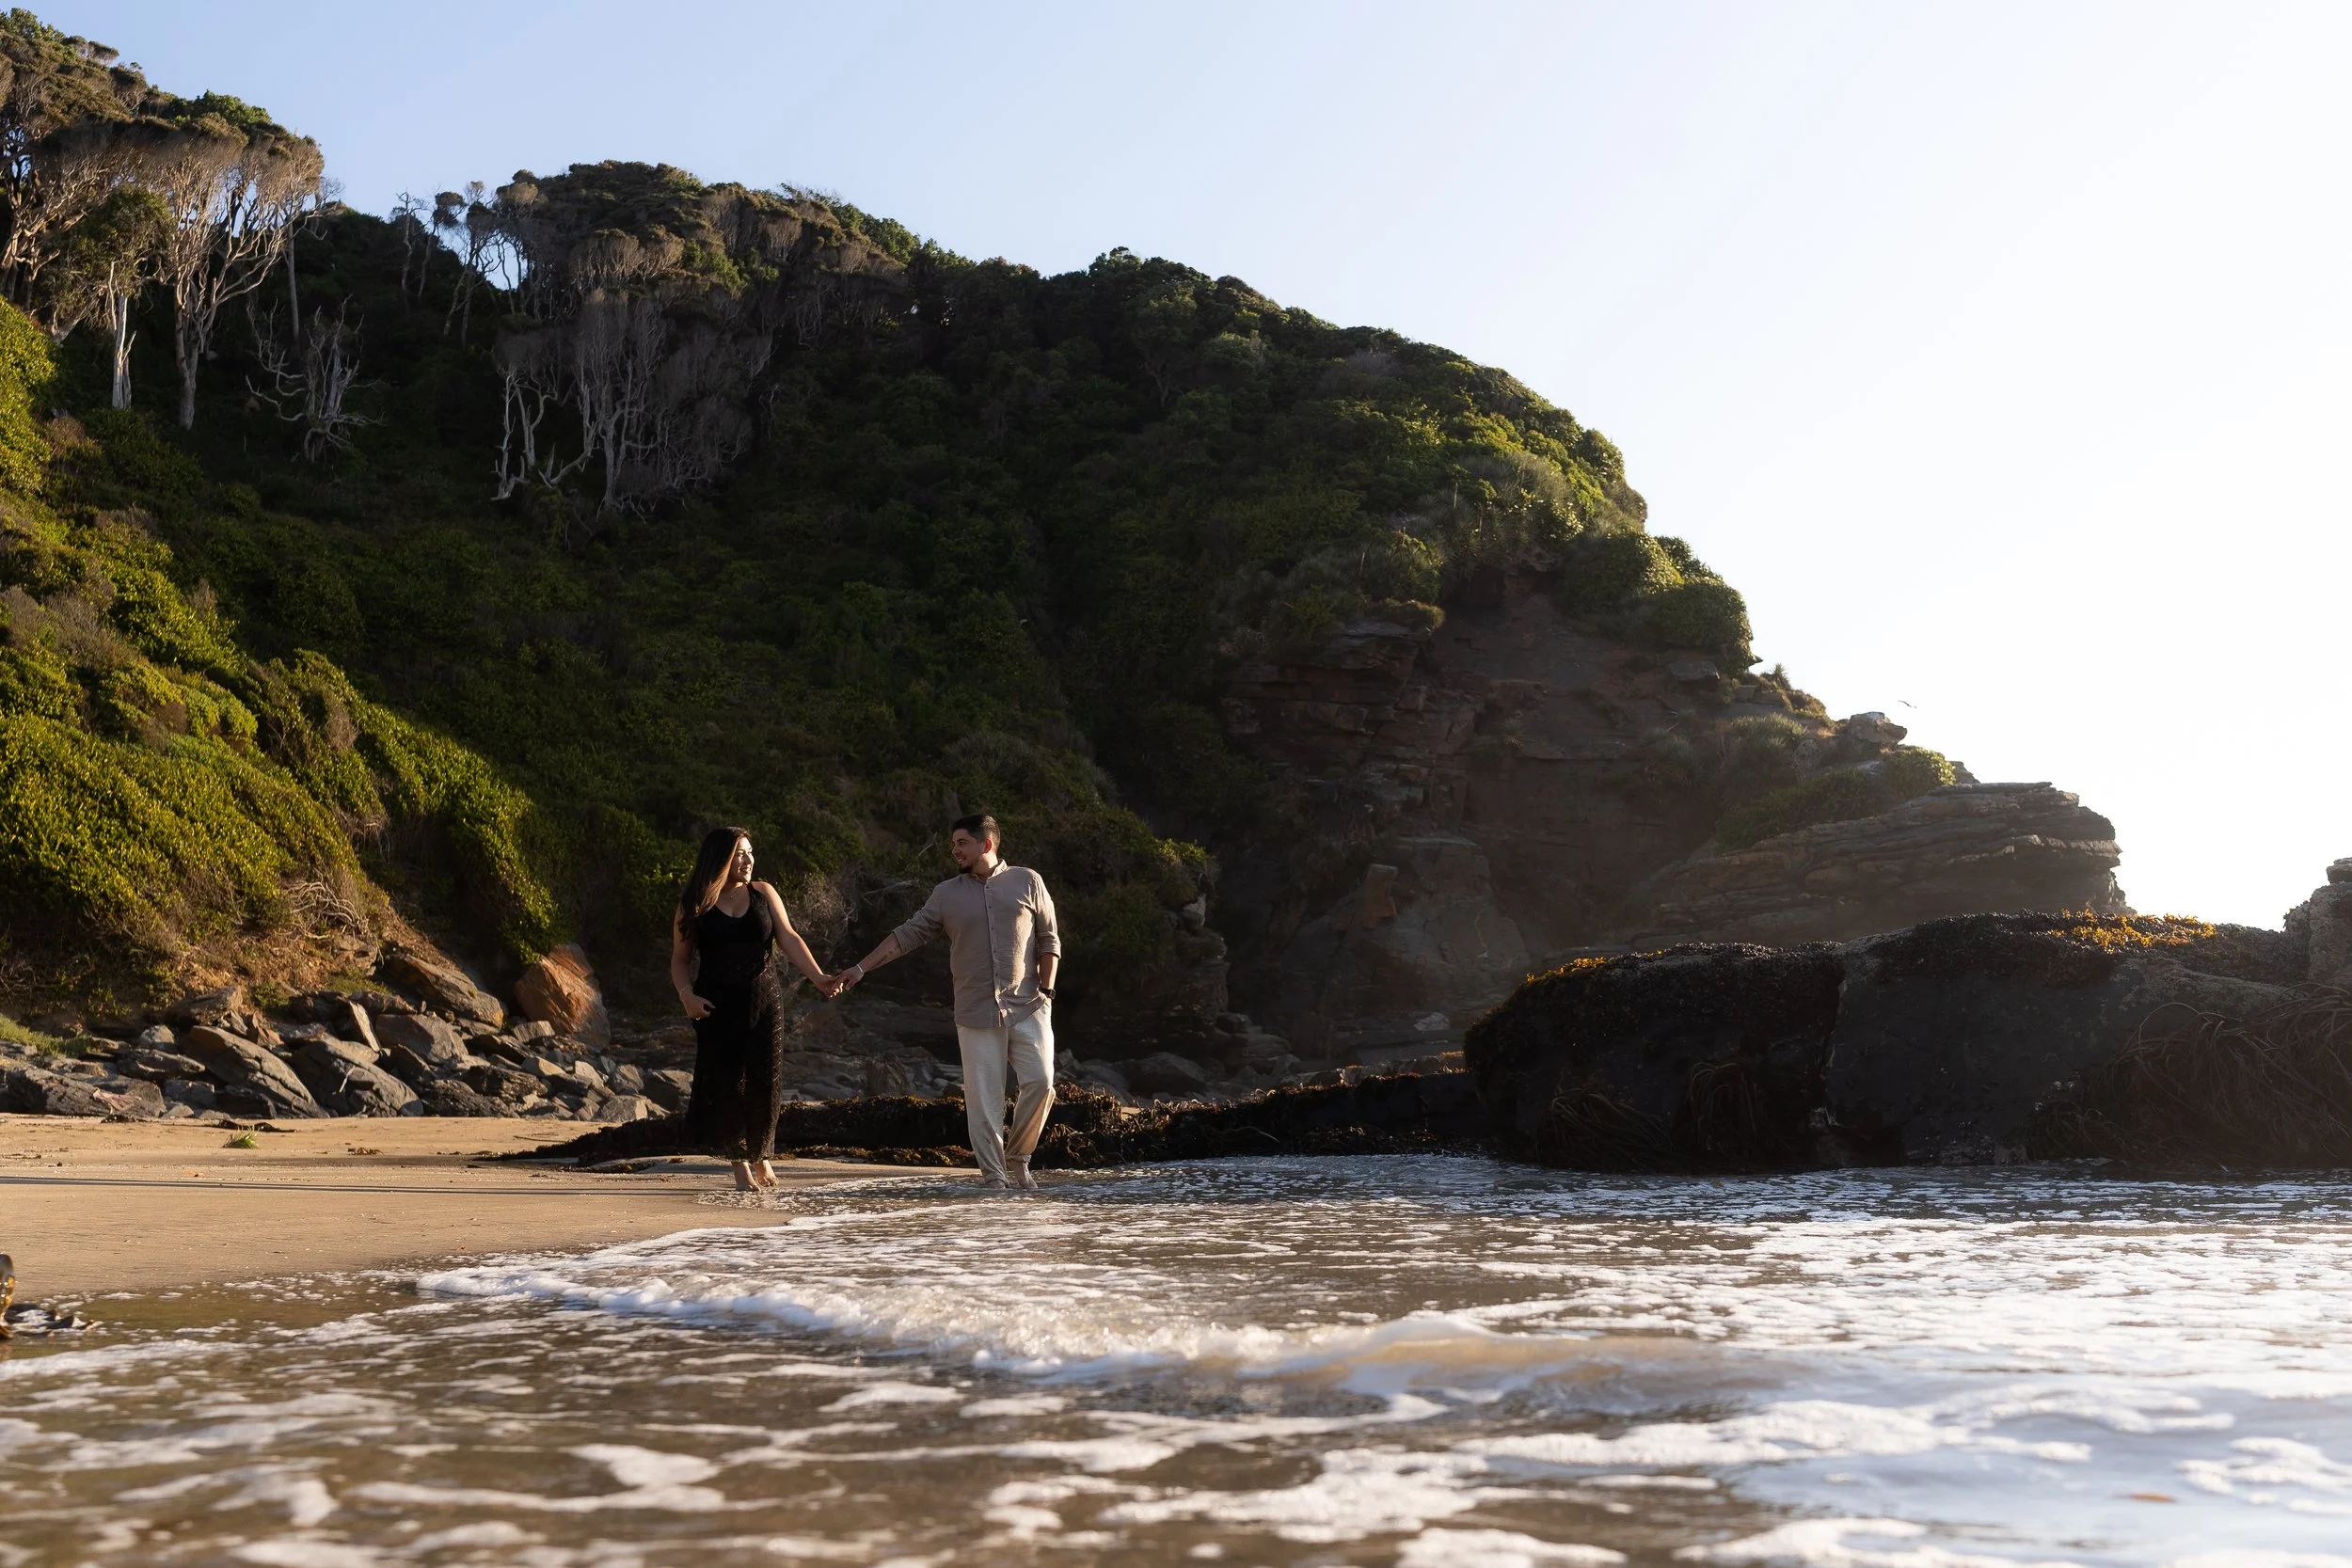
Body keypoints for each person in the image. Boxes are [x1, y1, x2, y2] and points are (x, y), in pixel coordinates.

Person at [837, 814, 1059, 1191]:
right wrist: (861, 968)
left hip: (1030, 1005)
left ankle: (1019, 1158)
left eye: (961, 843)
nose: (954, 850)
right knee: (983, 1100)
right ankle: (994, 1176)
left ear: (986, 844)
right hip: (975, 1011)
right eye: (954, 843)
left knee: (1041, 1081)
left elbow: (1049, 939)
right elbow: (906, 935)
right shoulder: (946, 894)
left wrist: (1048, 990)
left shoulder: (1028, 881)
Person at [670, 826, 839, 1191]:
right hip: (715, 1005)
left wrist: (818, 976)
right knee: (728, 1083)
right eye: (738, 854)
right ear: (720, 859)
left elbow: (789, 937)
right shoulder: (694, 903)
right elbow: (680, 960)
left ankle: (762, 1155)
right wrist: (686, 996)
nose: (747, 860)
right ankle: (741, 1168)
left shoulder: (763, 893)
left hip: (765, 1002)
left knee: (766, 1081)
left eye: (749, 852)